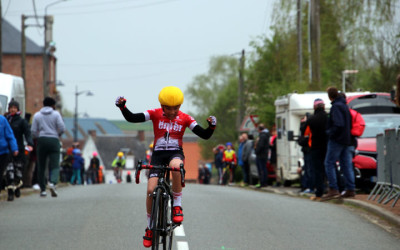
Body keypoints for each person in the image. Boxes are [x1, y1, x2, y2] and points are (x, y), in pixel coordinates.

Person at [115, 86, 216, 248]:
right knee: (150, 190)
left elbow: (204, 135)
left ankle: (176, 204)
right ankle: (149, 227)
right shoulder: (154, 113)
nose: (172, 111)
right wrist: (122, 107)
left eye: (176, 108)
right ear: (162, 106)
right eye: (168, 108)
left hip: (175, 153)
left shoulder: (185, 118)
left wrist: (211, 127)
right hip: (158, 156)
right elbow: (133, 118)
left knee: (176, 166)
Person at [322, 87, 355, 201]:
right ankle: (350, 188)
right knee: (346, 164)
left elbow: (338, 124)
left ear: (330, 96)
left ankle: (333, 188)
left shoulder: (336, 107)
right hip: (346, 139)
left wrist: (330, 133)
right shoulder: (345, 106)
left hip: (337, 140)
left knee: (329, 163)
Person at [31, 97, 65, 197]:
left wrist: (39, 136)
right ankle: (53, 183)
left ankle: (42, 189)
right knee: (55, 164)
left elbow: (33, 131)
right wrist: (57, 134)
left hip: (41, 140)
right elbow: (62, 128)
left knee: (41, 165)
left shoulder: (37, 115)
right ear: (53, 105)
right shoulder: (56, 114)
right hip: (54, 140)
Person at [4, 99, 34, 201]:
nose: (12, 110)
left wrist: (30, 143)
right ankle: (10, 192)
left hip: (19, 149)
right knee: (9, 170)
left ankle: (17, 186)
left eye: (14, 108)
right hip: (7, 149)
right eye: (11, 108)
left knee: (18, 171)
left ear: (17, 109)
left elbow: (27, 133)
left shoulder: (22, 121)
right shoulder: (5, 120)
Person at [306, 99, 328, 201]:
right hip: (328, 146)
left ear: (314, 107)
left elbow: (306, 133)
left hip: (315, 147)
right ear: (323, 106)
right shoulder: (328, 117)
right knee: (329, 167)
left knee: (317, 170)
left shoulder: (311, 119)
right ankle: (335, 188)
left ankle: (319, 192)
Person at [0, 115, 19, 200]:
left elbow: (10, 135)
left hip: (3, 151)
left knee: (0, 172)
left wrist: (14, 148)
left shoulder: (2, 120)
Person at [298, 113, 313, 193]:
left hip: (309, 150)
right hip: (307, 150)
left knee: (309, 169)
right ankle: (306, 185)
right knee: (307, 169)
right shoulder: (303, 127)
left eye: (304, 118)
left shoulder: (307, 127)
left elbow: (304, 139)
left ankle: (309, 186)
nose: (302, 120)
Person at [255, 123, 269, 188]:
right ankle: (264, 182)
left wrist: (256, 151)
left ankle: (262, 182)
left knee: (261, 169)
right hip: (264, 154)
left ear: (259, 129)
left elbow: (261, 145)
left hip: (261, 155)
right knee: (263, 168)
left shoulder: (263, 136)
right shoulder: (265, 135)